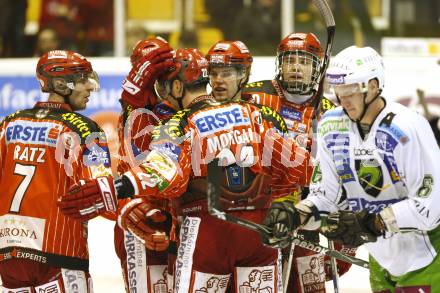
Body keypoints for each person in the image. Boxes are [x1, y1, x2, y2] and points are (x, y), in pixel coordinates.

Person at [62, 47, 310, 293]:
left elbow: (163, 172)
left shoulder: (178, 123)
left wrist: (115, 186)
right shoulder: (256, 114)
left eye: (165, 86)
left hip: (207, 229)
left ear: (178, 88)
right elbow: (300, 166)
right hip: (260, 232)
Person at [263, 46, 440, 292]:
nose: (343, 98)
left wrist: (374, 221)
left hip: (429, 256)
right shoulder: (331, 125)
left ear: (375, 85)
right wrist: (297, 215)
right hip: (382, 258)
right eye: (339, 90)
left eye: (352, 90)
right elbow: (327, 196)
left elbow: (430, 205)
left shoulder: (407, 128)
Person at [242, 32, 354, 293]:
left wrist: (341, 242)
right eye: (290, 60)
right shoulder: (253, 97)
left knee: (310, 287)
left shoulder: (330, 112)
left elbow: (342, 175)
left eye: (304, 62)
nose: (295, 67)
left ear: (317, 68)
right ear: (279, 64)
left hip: (306, 218)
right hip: (258, 216)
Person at [0, 50, 116, 292]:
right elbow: (101, 193)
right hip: (60, 254)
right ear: (62, 84)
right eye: (84, 79)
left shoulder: (9, 123)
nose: (91, 87)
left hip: (9, 255)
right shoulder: (85, 129)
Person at [114, 36, 176, 293]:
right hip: (140, 216)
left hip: (175, 218)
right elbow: (137, 157)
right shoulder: (133, 113)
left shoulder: (181, 110)